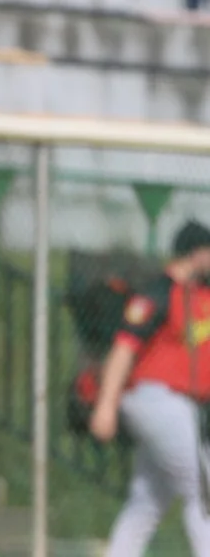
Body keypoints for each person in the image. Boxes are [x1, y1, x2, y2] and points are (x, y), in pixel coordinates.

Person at [89, 220, 210, 557]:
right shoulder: (158, 292)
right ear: (196, 252)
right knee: (202, 489)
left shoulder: (202, 294)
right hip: (155, 399)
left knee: (148, 498)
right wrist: (105, 405)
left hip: (184, 408)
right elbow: (123, 349)